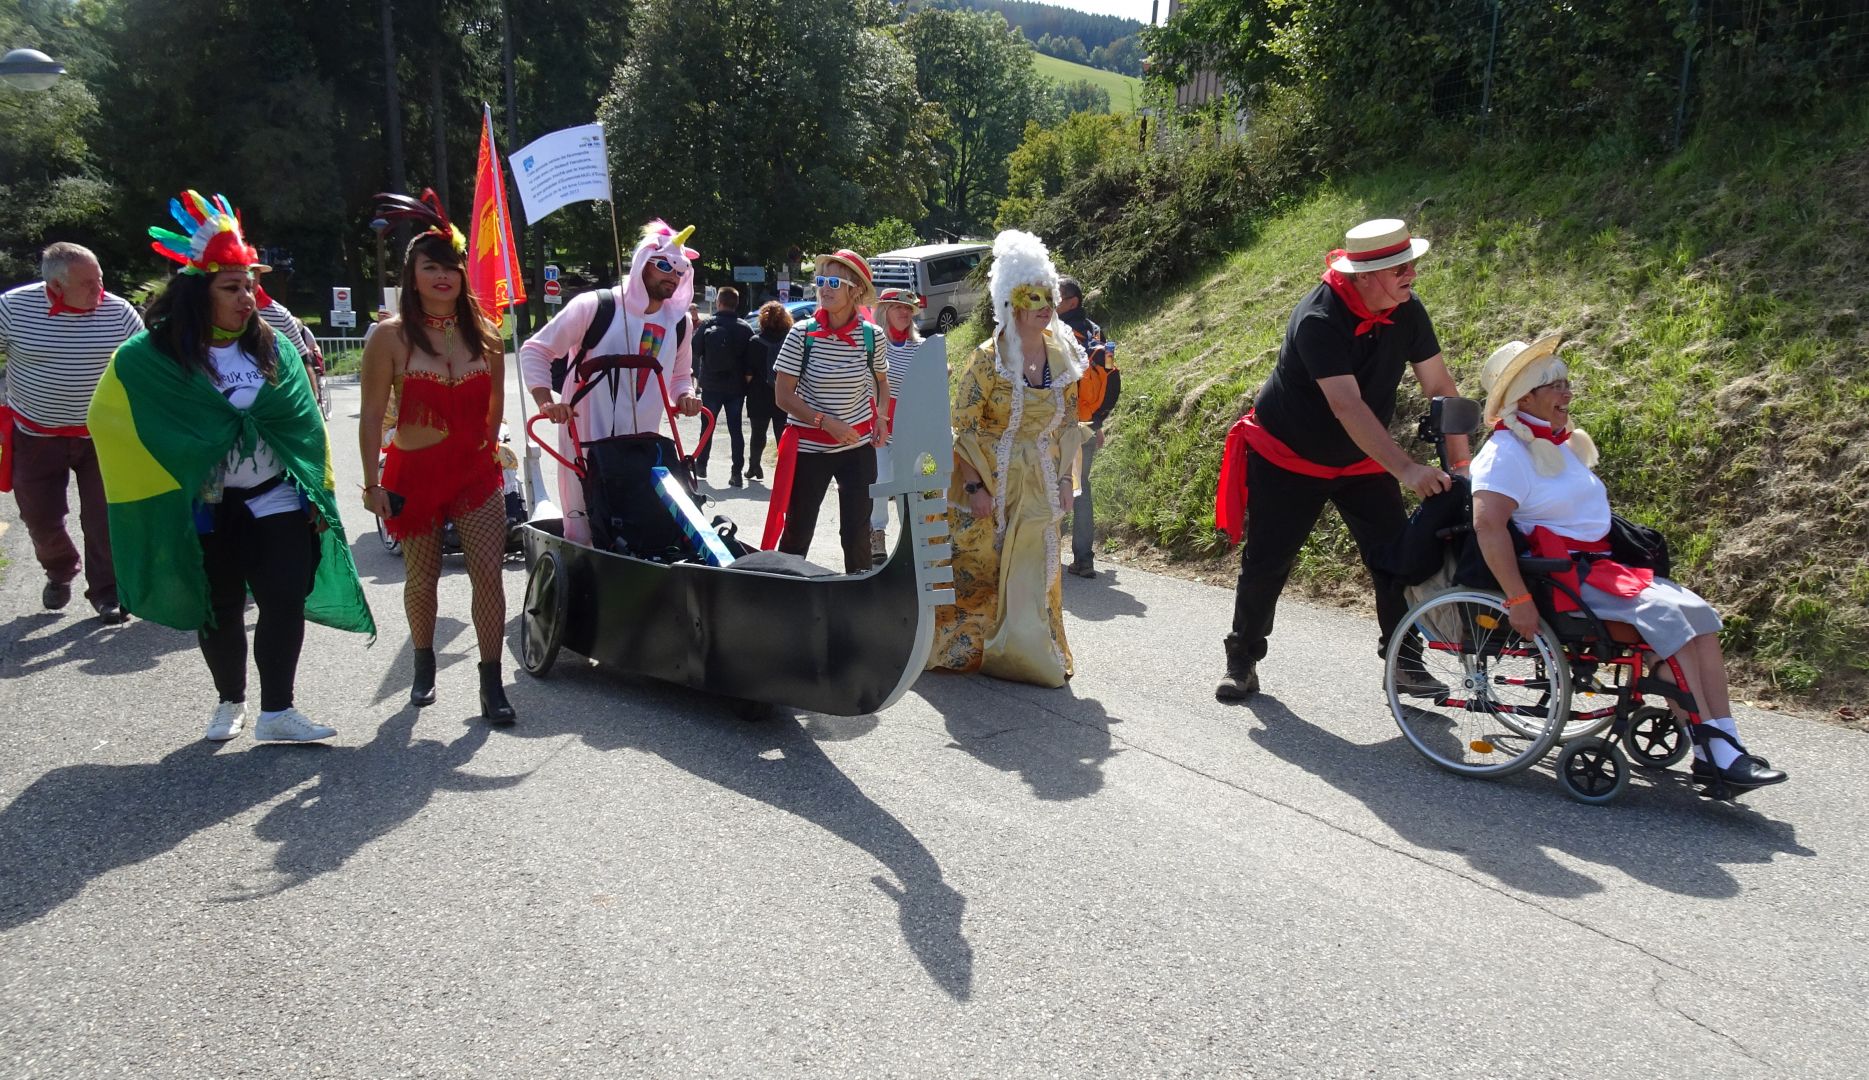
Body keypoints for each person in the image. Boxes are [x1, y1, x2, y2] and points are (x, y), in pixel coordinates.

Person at [88, 190, 373, 742]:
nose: (246, 298)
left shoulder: (274, 347)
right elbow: (111, 417)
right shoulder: (151, 357)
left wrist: (319, 492)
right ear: (199, 293)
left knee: (284, 598)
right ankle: (229, 700)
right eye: (231, 287)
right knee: (218, 606)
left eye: (249, 286)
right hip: (206, 506)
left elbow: (306, 427)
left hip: (277, 496)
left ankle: (278, 712)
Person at [1471, 334, 1785, 789]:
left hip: (1600, 571)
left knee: (1699, 615)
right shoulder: (1505, 454)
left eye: (1566, 383)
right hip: (1562, 581)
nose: (1567, 393)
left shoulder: (1556, 444)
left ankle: (1725, 743)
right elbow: (1488, 527)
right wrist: (1518, 599)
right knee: (1670, 622)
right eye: (1555, 385)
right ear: (1525, 397)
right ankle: (1712, 751)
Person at [1212, 218, 1466, 701]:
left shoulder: (1407, 309)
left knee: (1397, 557)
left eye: (1411, 264)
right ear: (1364, 276)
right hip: (1288, 456)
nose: (1411, 274)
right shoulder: (1319, 318)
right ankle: (1242, 657)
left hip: (1362, 459)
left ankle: (1404, 661)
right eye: (1399, 268)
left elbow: (1440, 388)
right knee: (1268, 562)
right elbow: (1347, 406)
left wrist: (1462, 467)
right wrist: (1407, 469)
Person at [358, 189, 516, 723]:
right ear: (413, 275)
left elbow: (495, 407)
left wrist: (488, 451)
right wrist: (371, 483)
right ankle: (423, 663)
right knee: (421, 580)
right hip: (414, 476)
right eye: (431, 267)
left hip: (475, 476)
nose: (443, 276)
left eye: (451, 266)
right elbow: (371, 415)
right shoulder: (390, 337)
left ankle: (491, 684)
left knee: (488, 576)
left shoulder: (487, 336)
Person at [928, 230, 1087, 688]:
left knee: (1038, 564)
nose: (1043, 305)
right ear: (1011, 303)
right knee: (980, 561)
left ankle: (1029, 649)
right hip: (989, 475)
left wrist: (1065, 480)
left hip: (1038, 477)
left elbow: (1068, 423)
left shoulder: (1063, 356)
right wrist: (975, 486)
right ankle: (976, 647)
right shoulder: (987, 358)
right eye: (1031, 296)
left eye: (1048, 296)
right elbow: (963, 426)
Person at [518, 220, 703, 545]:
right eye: (664, 266)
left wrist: (685, 394)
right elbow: (536, 350)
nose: (672, 276)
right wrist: (546, 402)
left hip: (641, 445)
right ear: (642, 262)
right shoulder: (596, 306)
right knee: (583, 523)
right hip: (585, 438)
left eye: (680, 270)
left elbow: (679, 375)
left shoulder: (679, 323)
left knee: (637, 525)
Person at [0, 242, 143, 623]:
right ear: (56, 286)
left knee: (103, 518)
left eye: (100, 279)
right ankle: (59, 569)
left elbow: (148, 365)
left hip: (102, 435)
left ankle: (107, 592)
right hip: (35, 434)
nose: (100, 289)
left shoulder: (119, 313)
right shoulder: (13, 308)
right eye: (88, 283)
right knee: (40, 518)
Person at [761, 249, 888, 572]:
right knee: (798, 532)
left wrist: (882, 418)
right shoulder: (801, 334)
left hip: (857, 448)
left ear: (855, 290)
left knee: (857, 536)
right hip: (809, 449)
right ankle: (786, 592)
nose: (824, 289)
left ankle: (857, 597)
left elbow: (882, 382)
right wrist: (825, 422)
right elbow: (783, 396)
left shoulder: (872, 337)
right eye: (821, 281)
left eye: (834, 282)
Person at [1057, 276, 1119, 578]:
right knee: (1081, 486)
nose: (1050, 300)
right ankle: (1084, 560)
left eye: (1057, 296)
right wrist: (1098, 421)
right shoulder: (1096, 331)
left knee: (1050, 483)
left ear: (1072, 302)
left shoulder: (1056, 331)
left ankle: (1045, 555)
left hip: (1060, 423)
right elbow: (1107, 375)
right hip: (1089, 422)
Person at [868, 288, 926, 559]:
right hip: (879, 427)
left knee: (909, 486)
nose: (905, 312)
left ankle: (911, 538)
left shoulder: (921, 347)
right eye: (898, 308)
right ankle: (876, 532)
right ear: (884, 312)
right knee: (881, 481)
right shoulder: (875, 344)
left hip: (910, 430)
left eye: (908, 309)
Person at [693, 285, 756, 486]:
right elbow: (751, 361)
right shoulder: (745, 328)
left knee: (707, 427)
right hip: (735, 387)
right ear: (736, 304)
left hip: (711, 385)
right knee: (735, 430)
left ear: (719, 302)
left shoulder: (708, 324)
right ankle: (736, 473)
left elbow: (695, 350)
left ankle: (701, 465)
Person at [743, 300, 793, 482]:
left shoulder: (755, 341)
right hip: (784, 394)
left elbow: (748, 373)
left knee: (758, 433)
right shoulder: (790, 341)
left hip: (759, 394)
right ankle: (784, 471)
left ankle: (754, 466)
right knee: (782, 435)